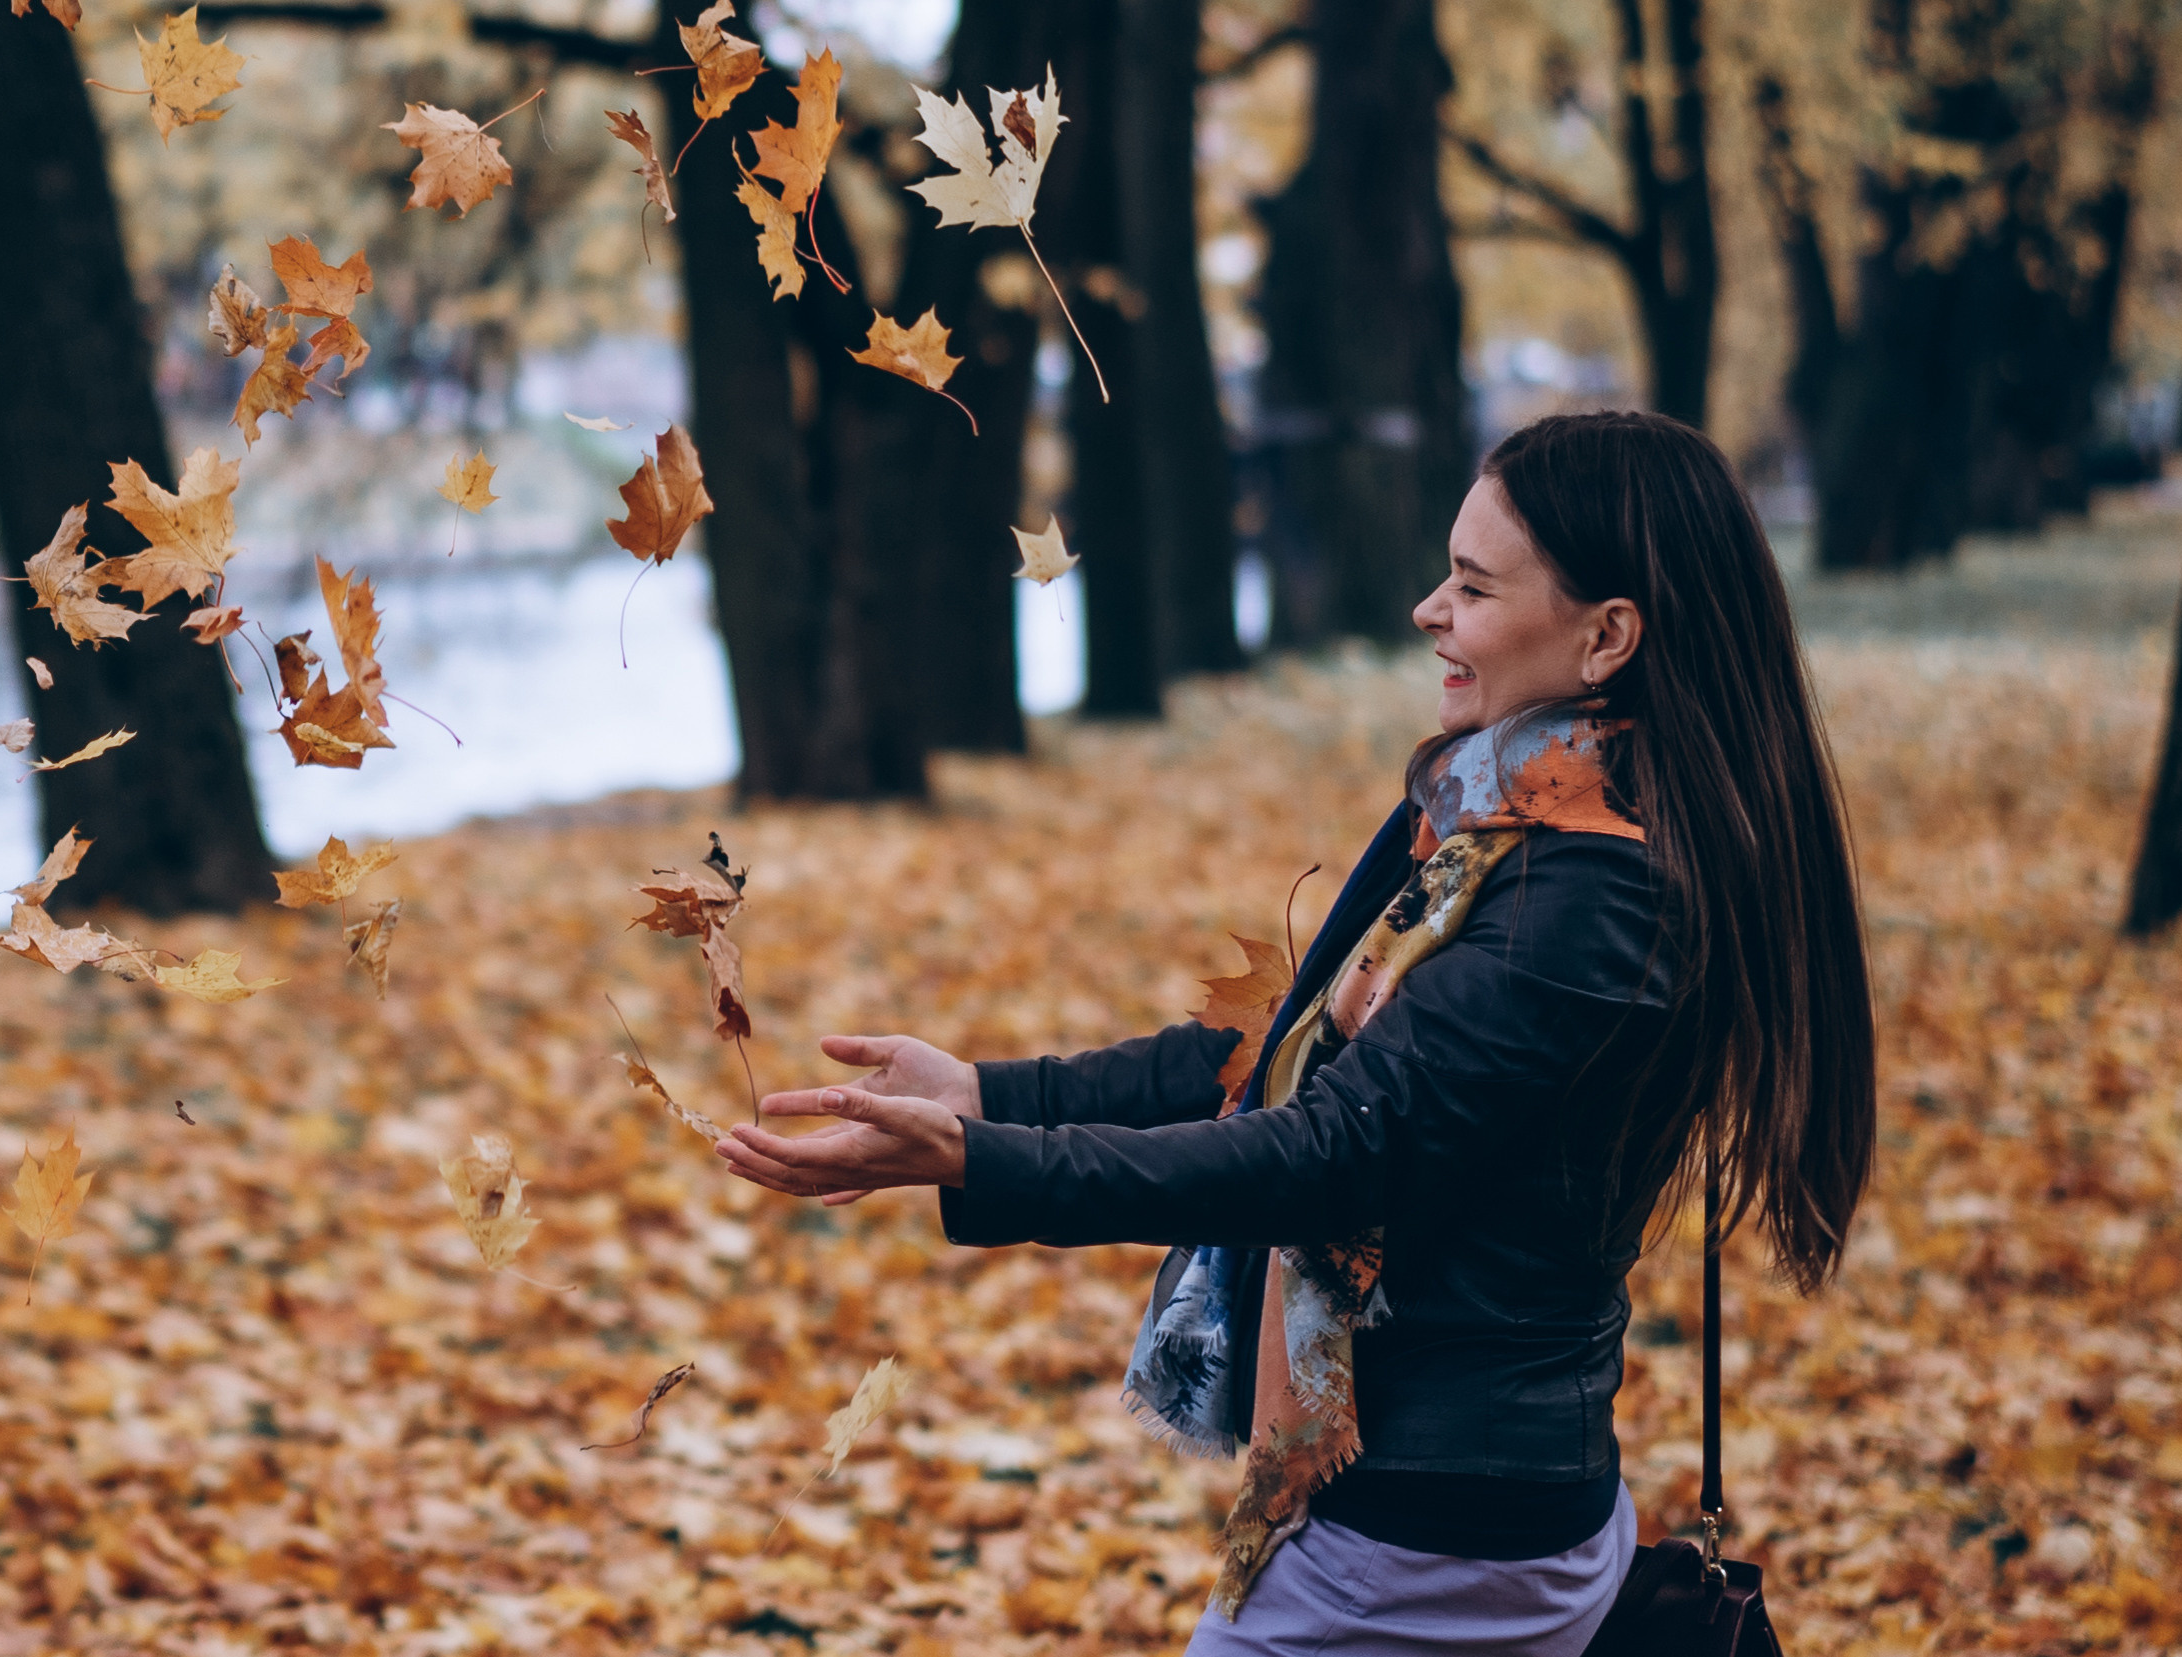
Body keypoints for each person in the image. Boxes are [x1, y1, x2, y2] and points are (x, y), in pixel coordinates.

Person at [715, 410, 1878, 1655]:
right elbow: (1282, 1056)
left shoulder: (1590, 897)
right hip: (1451, 1510)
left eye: (1474, 586)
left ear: (1606, 636)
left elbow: (1331, 1149)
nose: (1429, 609)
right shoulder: (1497, 824)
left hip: (1430, 1549)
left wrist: (980, 1161)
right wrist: (992, 1096)